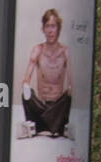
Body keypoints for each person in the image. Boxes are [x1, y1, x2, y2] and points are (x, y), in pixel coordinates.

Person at [19, 8, 73, 138]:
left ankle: (45, 124)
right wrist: (25, 86)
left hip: (58, 104)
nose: (50, 30)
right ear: (43, 29)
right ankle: (51, 124)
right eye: (47, 26)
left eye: (53, 26)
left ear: (58, 28)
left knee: (69, 95)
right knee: (26, 93)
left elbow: (72, 82)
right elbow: (26, 79)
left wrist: (71, 88)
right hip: (41, 104)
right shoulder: (37, 50)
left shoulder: (65, 52)